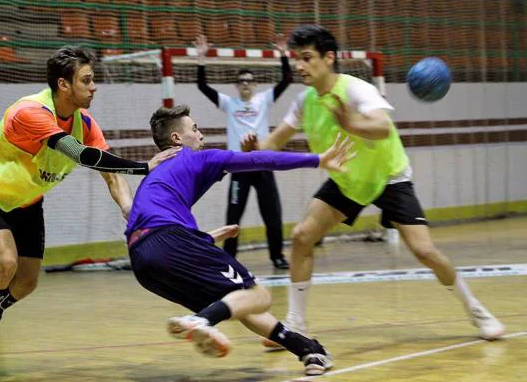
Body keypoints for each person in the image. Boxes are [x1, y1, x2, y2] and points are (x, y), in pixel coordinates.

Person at [240, 24, 505, 347]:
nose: (299, 65)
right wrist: (255, 151)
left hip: (388, 177)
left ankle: (479, 312)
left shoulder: (356, 89)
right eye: (297, 58)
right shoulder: (303, 101)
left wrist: (350, 122)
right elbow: (275, 142)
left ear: (329, 58)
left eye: (307, 58)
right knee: (301, 237)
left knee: (424, 250)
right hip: (348, 180)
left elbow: (382, 127)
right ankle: (296, 324)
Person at [0, 45, 178, 382]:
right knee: (5, 264)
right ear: (64, 85)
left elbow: (110, 175)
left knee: (26, 283)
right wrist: (143, 167)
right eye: (87, 80)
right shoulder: (31, 112)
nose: (94, 86)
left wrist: (128, 208)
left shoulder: (85, 122)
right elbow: (79, 155)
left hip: (28, 202)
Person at [125, 104, 354, 376]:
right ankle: (201, 321)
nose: (201, 135)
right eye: (195, 129)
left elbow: (149, 229)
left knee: (236, 302)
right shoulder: (198, 158)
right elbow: (262, 160)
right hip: (172, 240)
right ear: (177, 139)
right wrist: (318, 160)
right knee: (258, 295)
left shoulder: (157, 175)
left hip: (141, 261)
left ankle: (308, 350)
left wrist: (205, 238)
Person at [195, 34, 293, 269]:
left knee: (273, 214)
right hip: (239, 166)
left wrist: (282, 54)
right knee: (233, 216)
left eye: (249, 80)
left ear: (255, 84)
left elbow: (287, 79)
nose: (246, 83)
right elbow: (202, 86)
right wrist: (201, 58)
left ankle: (277, 256)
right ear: (236, 85)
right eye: (241, 81)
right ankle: (229, 258)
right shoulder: (229, 103)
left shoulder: (263, 100)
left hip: (263, 164)